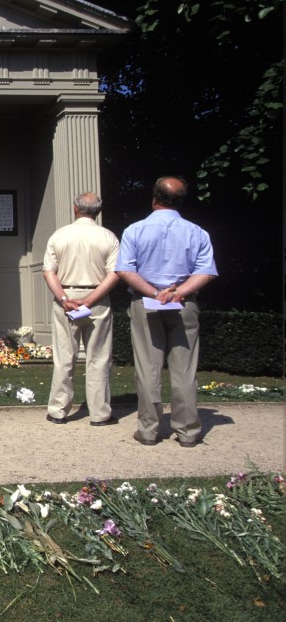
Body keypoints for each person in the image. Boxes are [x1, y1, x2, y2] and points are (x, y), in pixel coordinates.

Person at [115, 176, 218, 448]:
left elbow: (125, 270)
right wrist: (178, 293)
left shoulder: (135, 230)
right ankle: (187, 431)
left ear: (154, 197)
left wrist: (153, 293)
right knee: (185, 369)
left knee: (148, 368)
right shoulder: (197, 232)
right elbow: (206, 271)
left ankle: (148, 430)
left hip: (146, 303)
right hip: (184, 303)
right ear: (181, 200)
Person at [42, 192, 120, 426]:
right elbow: (114, 273)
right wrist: (90, 300)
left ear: (75, 208)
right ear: (97, 210)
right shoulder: (108, 237)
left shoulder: (60, 235)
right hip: (96, 297)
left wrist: (64, 298)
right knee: (98, 358)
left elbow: (49, 271)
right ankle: (99, 414)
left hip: (66, 296)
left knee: (64, 356)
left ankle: (58, 411)